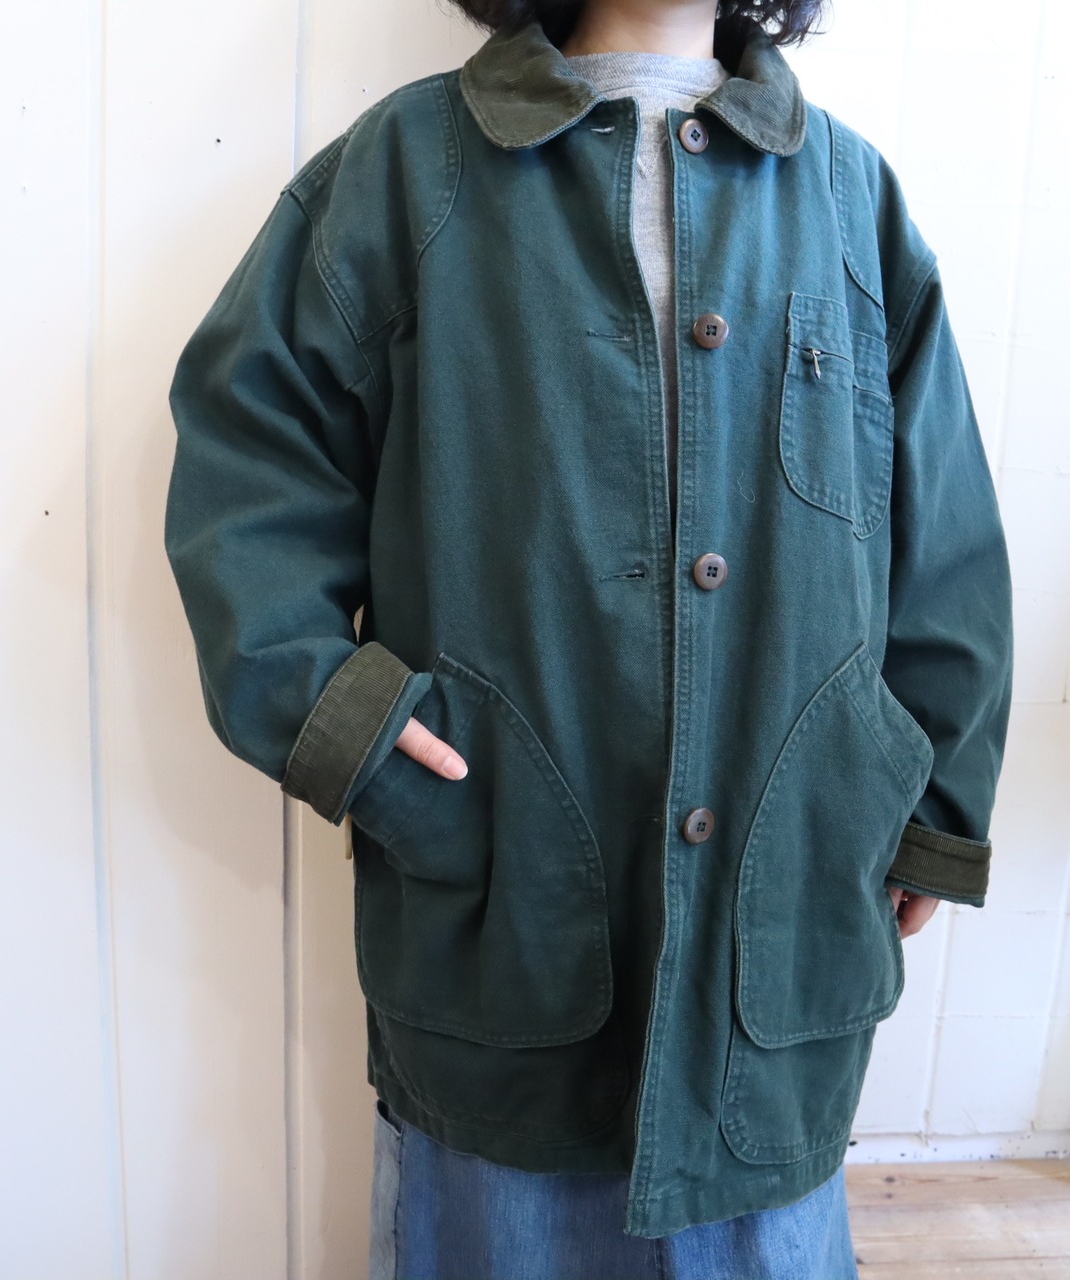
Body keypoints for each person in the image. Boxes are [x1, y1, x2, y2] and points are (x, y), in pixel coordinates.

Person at [163, 0, 1014, 1274]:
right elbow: (249, 474)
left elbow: (944, 548)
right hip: (501, 936)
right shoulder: (405, 173)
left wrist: (927, 808)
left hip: (777, 954)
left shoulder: (849, 200)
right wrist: (351, 728)